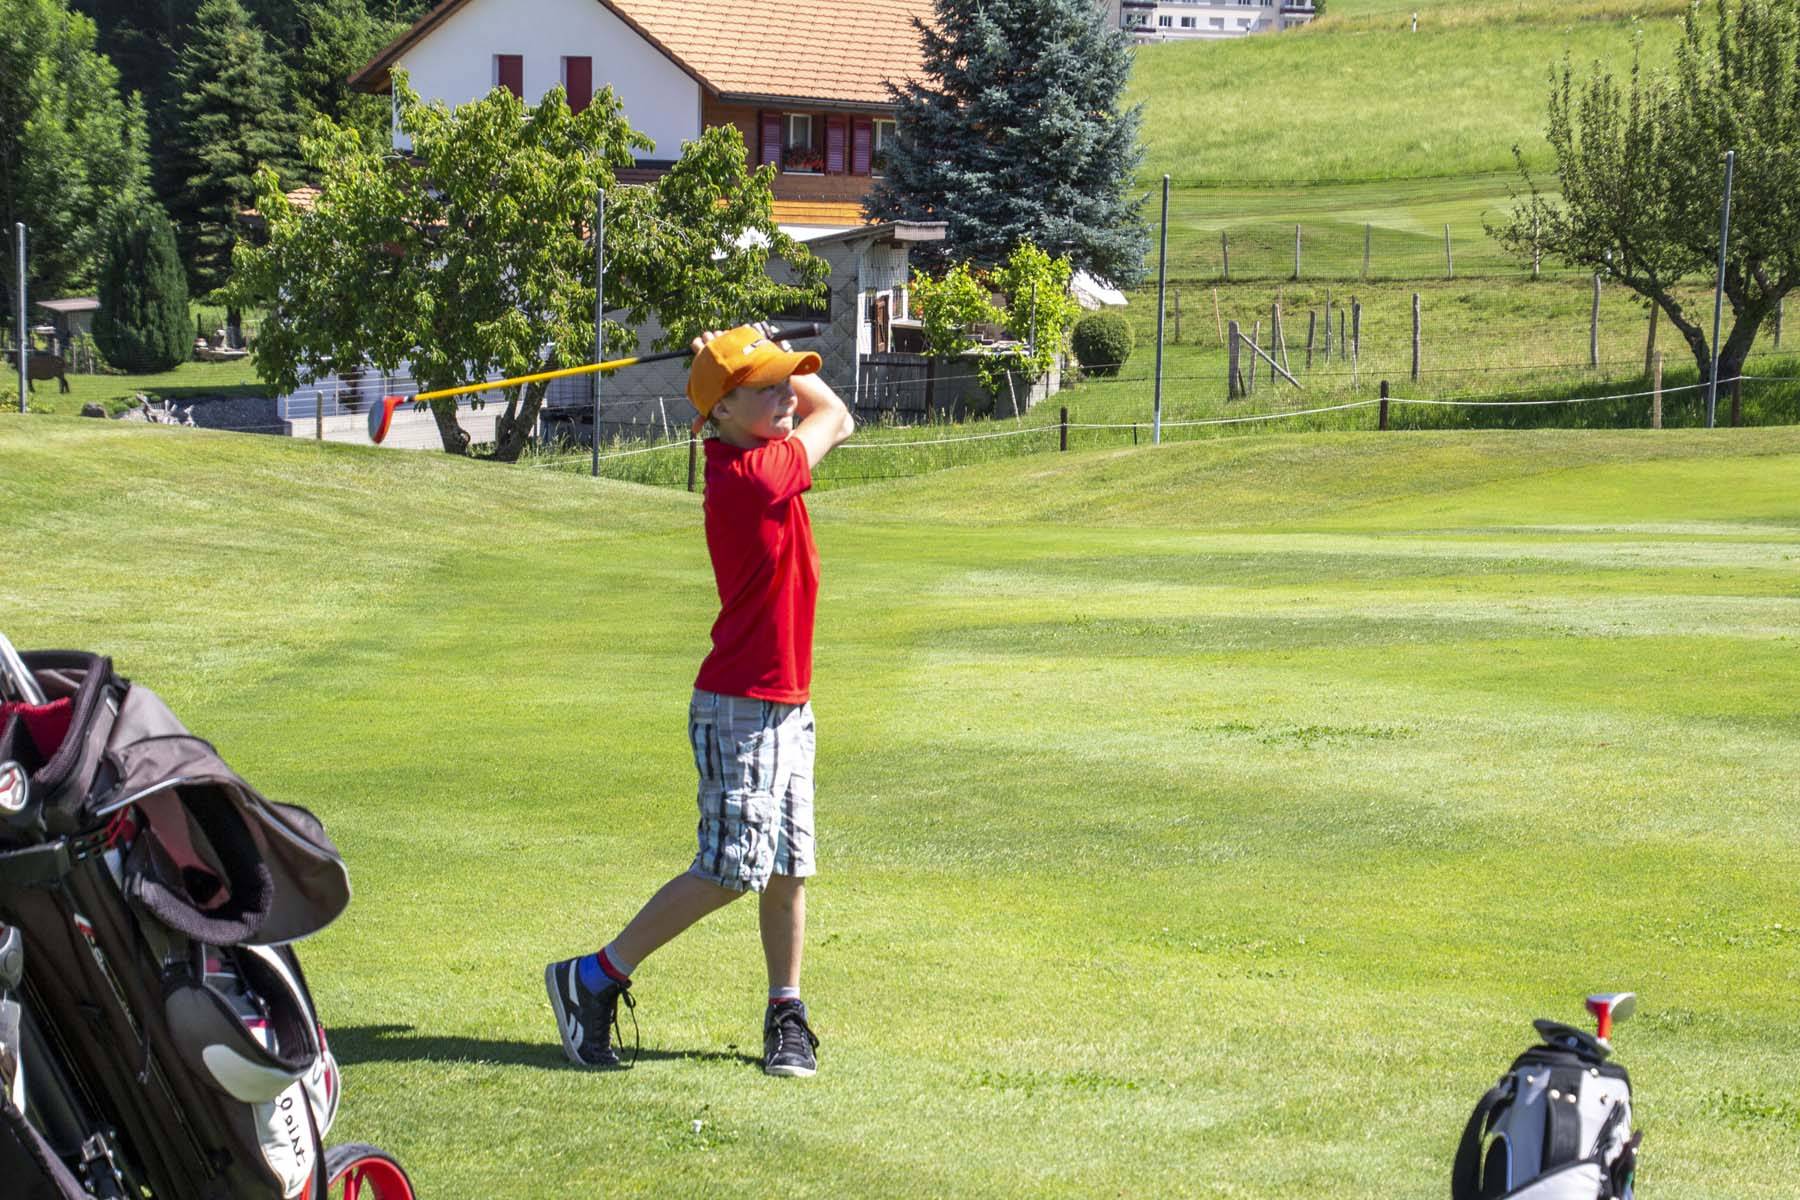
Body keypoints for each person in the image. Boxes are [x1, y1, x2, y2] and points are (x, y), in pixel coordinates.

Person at [546, 324, 855, 1077]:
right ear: (719, 411)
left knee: (787, 865)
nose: (786, 396)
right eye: (766, 388)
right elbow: (838, 415)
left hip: (786, 702)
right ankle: (593, 976)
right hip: (741, 704)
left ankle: (786, 1012)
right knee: (728, 869)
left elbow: (816, 408)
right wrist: (754, 347)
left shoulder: (754, 453)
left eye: (785, 382)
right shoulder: (756, 475)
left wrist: (754, 353)